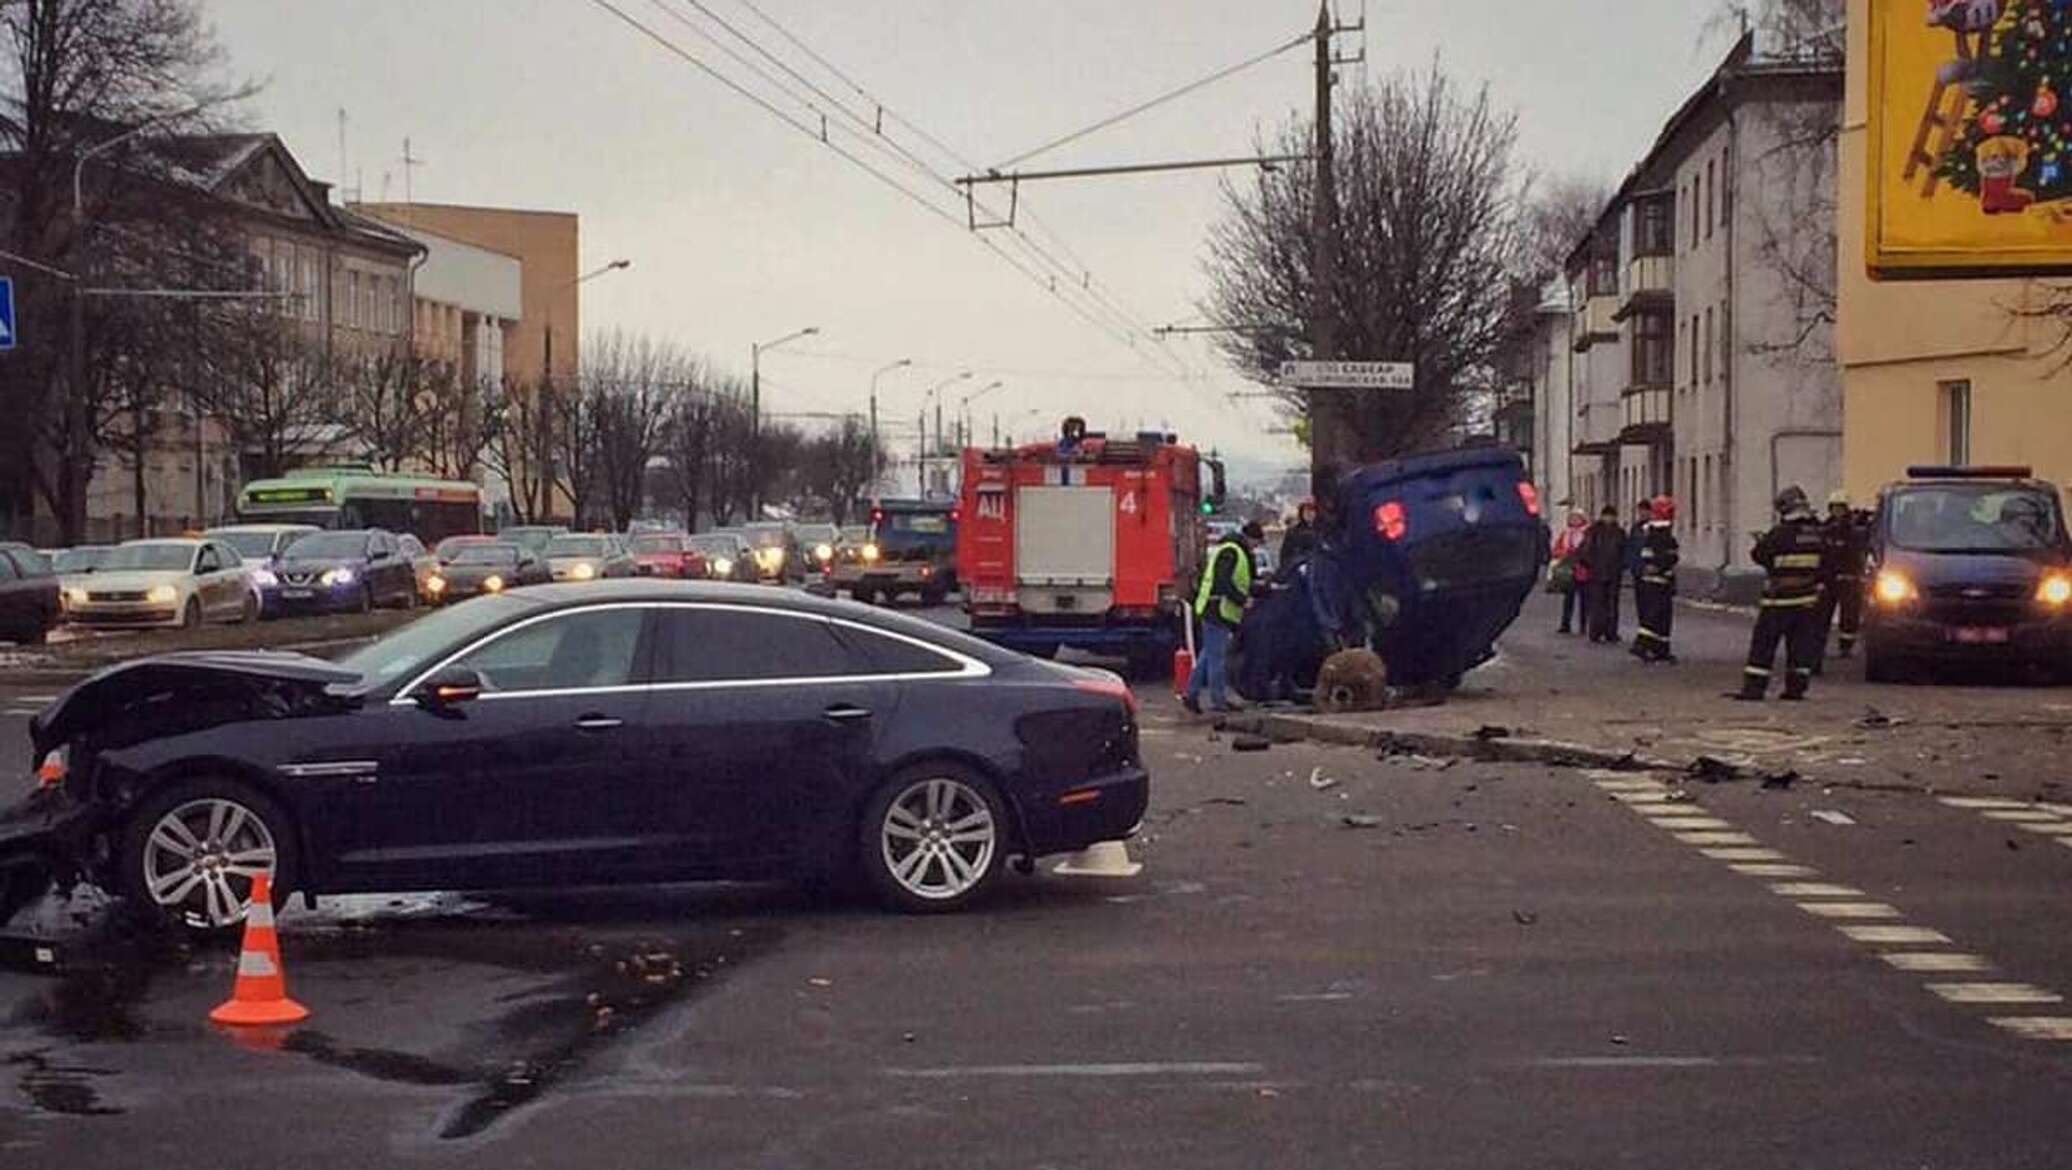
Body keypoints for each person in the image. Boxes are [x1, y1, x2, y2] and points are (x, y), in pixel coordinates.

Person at [1735, 485, 1831, 701]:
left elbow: (1761, 555)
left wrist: (1761, 541)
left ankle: (1754, 689)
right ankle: (1796, 689)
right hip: (1807, 601)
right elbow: (1827, 564)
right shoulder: (1817, 533)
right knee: (1800, 647)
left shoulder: (1780, 533)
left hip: (1778, 601)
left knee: (1763, 645)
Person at [1184, 521, 1255, 715]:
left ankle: (1191, 694)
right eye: (1255, 544)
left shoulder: (1228, 550)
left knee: (1208, 655)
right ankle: (1218, 700)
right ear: (1250, 539)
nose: (1255, 548)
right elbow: (1224, 582)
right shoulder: (1231, 552)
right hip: (1218, 611)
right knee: (1217, 658)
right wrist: (1242, 600)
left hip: (1214, 609)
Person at [1815, 491, 1869, 667]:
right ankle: (1818, 647)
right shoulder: (1824, 529)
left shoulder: (1854, 531)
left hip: (1849, 579)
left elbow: (1858, 554)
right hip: (1828, 580)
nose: (1837, 511)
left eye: (1841, 508)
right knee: (1822, 614)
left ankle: (1846, 646)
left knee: (1850, 615)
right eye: (1834, 508)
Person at [1631, 495, 1680, 663]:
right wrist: (1665, 564)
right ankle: (1643, 645)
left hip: (1657, 579)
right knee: (1656, 615)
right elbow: (1666, 556)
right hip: (1658, 581)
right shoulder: (1660, 532)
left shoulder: (1652, 531)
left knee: (1661, 616)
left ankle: (1661, 648)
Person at [1580, 504, 1627, 643]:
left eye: (1611, 516)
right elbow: (1586, 550)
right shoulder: (1593, 531)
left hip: (1613, 572)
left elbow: (1624, 550)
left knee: (1612, 603)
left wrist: (1622, 566)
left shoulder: (1619, 532)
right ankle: (1595, 632)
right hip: (1596, 572)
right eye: (1607, 516)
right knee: (1597, 604)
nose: (1609, 519)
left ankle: (1611, 632)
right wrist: (1589, 564)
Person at [1550, 509, 1590, 634]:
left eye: (1577, 518)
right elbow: (1556, 549)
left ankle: (1583, 625)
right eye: (1572, 518)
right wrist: (1563, 554)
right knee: (1568, 598)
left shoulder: (1588, 533)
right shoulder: (1565, 533)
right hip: (1568, 570)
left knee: (1584, 599)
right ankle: (1565, 624)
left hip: (1583, 569)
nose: (1574, 520)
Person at [1279, 499, 1320, 569]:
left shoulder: (1323, 531)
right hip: (1296, 567)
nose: (1309, 514)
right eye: (1306, 510)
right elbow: (1285, 555)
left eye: (1312, 510)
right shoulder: (1293, 531)